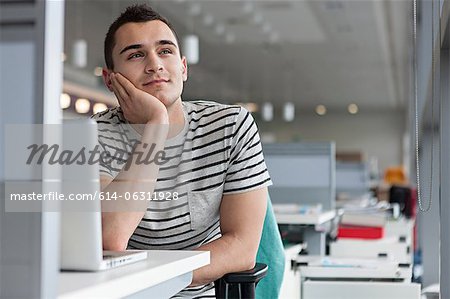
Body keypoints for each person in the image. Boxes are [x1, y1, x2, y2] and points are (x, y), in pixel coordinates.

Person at [91, 4, 272, 298]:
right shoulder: (91, 136)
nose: (154, 65)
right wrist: (155, 125)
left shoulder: (230, 126)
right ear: (110, 79)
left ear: (183, 67)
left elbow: (242, 247)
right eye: (136, 54)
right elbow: (109, 237)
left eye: (165, 51)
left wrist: (161, 283)